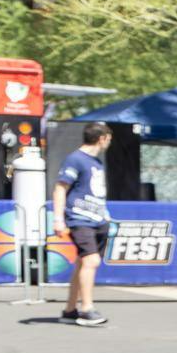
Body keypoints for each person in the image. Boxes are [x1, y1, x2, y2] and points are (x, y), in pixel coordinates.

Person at [53, 122, 113, 328]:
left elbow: (95, 192)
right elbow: (61, 188)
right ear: (102, 138)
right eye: (109, 139)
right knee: (92, 260)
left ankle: (70, 310)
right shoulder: (75, 159)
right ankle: (87, 309)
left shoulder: (96, 162)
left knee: (83, 262)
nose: (109, 142)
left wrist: (104, 214)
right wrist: (58, 219)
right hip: (79, 219)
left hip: (97, 219)